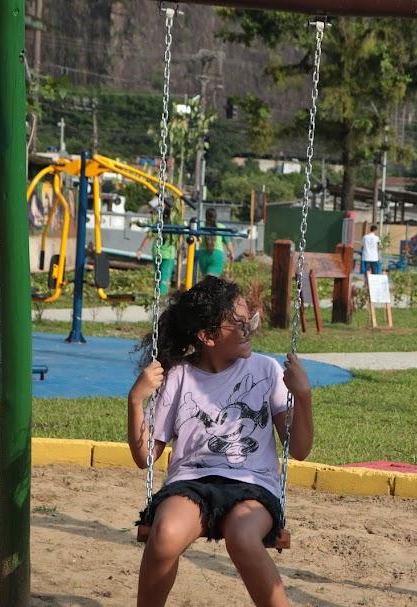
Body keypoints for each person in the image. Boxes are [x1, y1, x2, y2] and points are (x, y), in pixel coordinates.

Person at [127, 276, 314, 607]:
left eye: (249, 320)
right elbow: (145, 458)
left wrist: (304, 396)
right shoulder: (178, 377)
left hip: (253, 485)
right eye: (238, 323)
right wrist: (135, 401)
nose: (249, 329)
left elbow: (298, 450)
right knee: (165, 535)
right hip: (191, 484)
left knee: (243, 537)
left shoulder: (265, 371)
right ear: (207, 336)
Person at [136, 198, 180, 295]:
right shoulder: (174, 223)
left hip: (156, 251)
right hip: (168, 254)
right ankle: (161, 298)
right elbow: (178, 239)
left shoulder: (158, 222)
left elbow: (149, 236)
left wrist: (140, 249)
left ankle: (156, 296)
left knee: (158, 277)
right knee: (164, 278)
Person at [197, 207, 236, 278]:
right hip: (216, 255)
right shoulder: (221, 227)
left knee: (205, 280)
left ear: (205, 216)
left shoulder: (201, 227)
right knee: (212, 282)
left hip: (202, 255)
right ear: (216, 216)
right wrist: (232, 253)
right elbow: (228, 243)